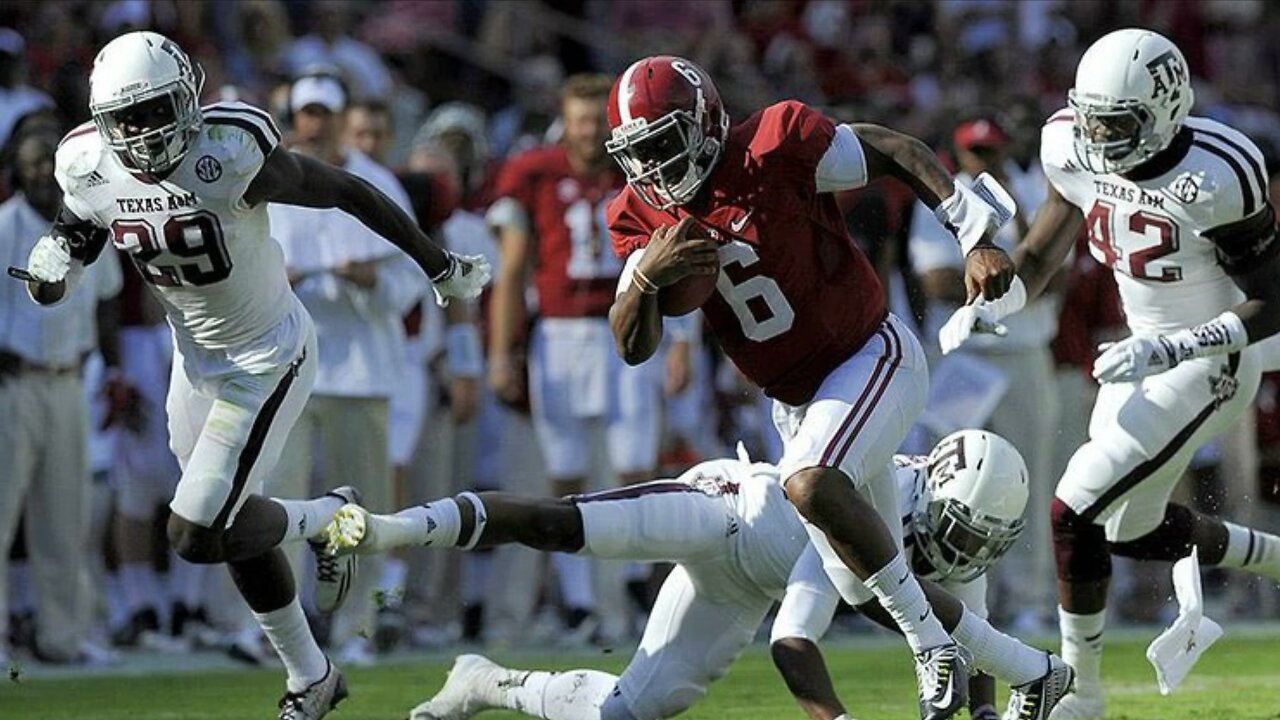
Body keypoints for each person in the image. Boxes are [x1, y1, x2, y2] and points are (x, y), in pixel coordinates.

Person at [11, 31, 488, 720]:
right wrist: (52, 268)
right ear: (105, 122)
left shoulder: (229, 153)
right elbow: (80, 229)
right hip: (194, 364)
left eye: (156, 110)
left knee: (193, 531)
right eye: (129, 118)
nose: (144, 132)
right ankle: (311, 674)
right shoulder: (85, 161)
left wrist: (434, 262)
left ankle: (327, 518)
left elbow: (348, 191)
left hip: (268, 354)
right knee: (229, 524)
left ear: (190, 100)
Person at [601, 55, 1059, 720]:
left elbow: (895, 150)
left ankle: (932, 644)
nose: (655, 167)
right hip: (796, 401)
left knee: (809, 481)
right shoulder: (637, 209)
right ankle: (1035, 671)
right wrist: (647, 277)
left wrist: (974, 235)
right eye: (639, 153)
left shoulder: (774, 143)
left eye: (666, 143)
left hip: (871, 353)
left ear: (702, 124)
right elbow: (631, 344)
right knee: (864, 582)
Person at [939, 29, 1280, 719]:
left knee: (1073, 507)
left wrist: (1178, 347)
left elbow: (1273, 298)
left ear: (1165, 107)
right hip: (1138, 352)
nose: (1098, 137)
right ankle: (1275, 558)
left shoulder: (1219, 169)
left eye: (1116, 123)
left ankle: (1077, 692)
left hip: (1213, 359)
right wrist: (997, 300)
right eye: (1090, 117)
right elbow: (1043, 250)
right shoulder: (1068, 141)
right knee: (1123, 530)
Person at [319, 430, 1062, 720]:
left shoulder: (959, 545)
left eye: (977, 540)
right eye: (958, 531)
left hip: (742, 587)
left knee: (624, 714)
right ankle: (386, 528)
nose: (961, 550)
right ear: (927, 493)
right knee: (561, 523)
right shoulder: (867, 505)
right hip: (727, 511)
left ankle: (485, 682)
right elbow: (794, 644)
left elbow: (975, 648)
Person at [486, 73, 667, 643]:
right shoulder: (534, 172)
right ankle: (582, 603)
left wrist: (681, 341)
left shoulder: (635, 166)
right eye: (580, 119)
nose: (590, 131)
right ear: (565, 122)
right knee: (565, 474)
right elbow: (512, 269)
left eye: (598, 120)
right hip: (559, 334)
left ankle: (635, 581)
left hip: (627, 326)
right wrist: (501, 350)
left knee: (634, 464)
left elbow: (670, 254)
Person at [267, 70, 424, 665]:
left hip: (361, 370)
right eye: (305, 112)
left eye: (323, 112)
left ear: (338, 117)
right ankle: (281, 634)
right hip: (289, 369)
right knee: (280, 508)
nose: (313, 123)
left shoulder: (376, 180)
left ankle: (356, 627)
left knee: (359, 509)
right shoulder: (268, 179)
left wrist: (371, 280)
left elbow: (409, 277)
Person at [907, 112, 1061, 629]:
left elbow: (1054, 274)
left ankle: (1031, 602)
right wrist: (996, 276)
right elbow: (932, 279)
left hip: (1022, 351)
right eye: (974, 154)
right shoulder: (943, 198)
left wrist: (997, 255)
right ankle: (939, 596)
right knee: (946, 481)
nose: (983, 162)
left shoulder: (1030, 191)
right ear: (958, 152)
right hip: (963, 355)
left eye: (990, 152)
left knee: (1033, 477)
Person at [0, 129, 122, 666]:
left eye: (49, 164)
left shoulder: (89, 223)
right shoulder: (3, 228)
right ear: (14, 170)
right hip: (12, 383)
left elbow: (108, 299)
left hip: (71, 380)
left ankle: (63, 638)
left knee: (66, 519)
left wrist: (111, 367)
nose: (42, 174)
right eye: (30, 164)